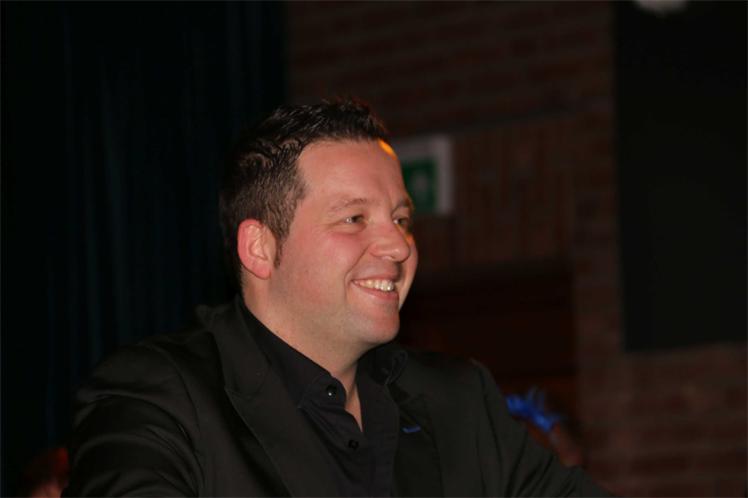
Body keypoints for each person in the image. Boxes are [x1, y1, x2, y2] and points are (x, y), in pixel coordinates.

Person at [63, 99, 610, 497]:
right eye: (354, 219)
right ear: (260, 248)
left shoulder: (457, 401)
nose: (399, 244)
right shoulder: (157, 397)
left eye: (401, 219)